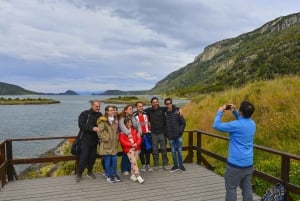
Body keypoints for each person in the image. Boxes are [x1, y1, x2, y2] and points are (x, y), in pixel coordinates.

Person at [213, 101, 256, 201]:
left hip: (235, 165)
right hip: (248, 163)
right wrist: (235, 112)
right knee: (247, 188)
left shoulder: (235, 125)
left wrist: (220, 112)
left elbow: (216, 125)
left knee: (231, 189)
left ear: (241, 111)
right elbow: (243, 122)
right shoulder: (252, 124)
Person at [76, 100, 102, 182]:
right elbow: (81, 125)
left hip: (95, 140)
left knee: (92, 157)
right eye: (96, 106)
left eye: (99, 106)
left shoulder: (100, 115)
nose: (98, 108)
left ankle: (90, 171)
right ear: (92, 106)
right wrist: (92, 128)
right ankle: (79, 173)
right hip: (85, 139)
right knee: (83, 157)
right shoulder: (85, 114)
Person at [97, 105, 120, 183]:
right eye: (110, 110)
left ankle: (114, 174)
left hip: (114, 144)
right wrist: (106, 138)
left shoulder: (115, 120)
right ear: (106, 111)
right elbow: (99, 131)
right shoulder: (103, 120)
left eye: (113, 110)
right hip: (106, 144)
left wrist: (117, 137)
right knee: (107, 160)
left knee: (115, 159)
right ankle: (108, 175)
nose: (112, 111)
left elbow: (117, 131)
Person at [144, 97, 169, 171]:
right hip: (153, 134)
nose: (155, 103)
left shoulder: (162, 109)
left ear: (158, 102)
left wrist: (179, 109)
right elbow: (140, 111)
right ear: (151, 103)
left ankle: (165, 164)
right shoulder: (149, 110)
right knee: (155, 151)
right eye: (154, 102)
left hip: (162, 133)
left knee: (164, 150)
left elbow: (170, 107)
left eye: (156, 102)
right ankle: (156, 164)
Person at [118, 105, 142, 176]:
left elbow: (138, 125)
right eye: (130, 109)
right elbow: (121, 126)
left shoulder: (134, 117)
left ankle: (131, 168)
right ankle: (124, 169)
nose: (131, 110)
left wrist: (139, 133)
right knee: (126, 154)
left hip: (134, 137)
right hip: (126, 138)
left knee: (134, 154)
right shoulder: (122, 118)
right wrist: (128, 133)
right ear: (125, 110)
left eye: (132, 109)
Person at [164, 98, 186, 172]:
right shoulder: (165, 113)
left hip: (178, 135)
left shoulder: (177, 111)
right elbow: (164, 125)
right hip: (170, 137)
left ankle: (181, 165)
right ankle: (175, 165)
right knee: (173, 152)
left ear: (171, 103)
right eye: (167, 103)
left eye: (169, 103)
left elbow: (183, 123)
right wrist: (167, 134)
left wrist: (180, 131)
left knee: (179, 151)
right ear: (165, 105)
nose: (168, 105)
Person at [119, 118, 144, 183]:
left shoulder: (134, 130)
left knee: (134, 162)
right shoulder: (123, 133)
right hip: (129, 149)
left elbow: (139, 139)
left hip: (136, 148)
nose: (130, 124)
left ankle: (132, 175)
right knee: (134, 162)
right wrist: (131, 145)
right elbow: (123, 142)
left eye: (130, 122)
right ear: (125, 124)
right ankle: (137, 175)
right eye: (128, 123)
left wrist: (136, 144)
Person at [133, 101, 153, 172]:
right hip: (139, 136)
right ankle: (143, 165)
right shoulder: (134, 116)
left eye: (142, 106)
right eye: (139, 106)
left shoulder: (147, 113)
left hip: (147, 134)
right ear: (136, 107)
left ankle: (148, 164)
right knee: (141, 151)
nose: (141, 107)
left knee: (148, 150)